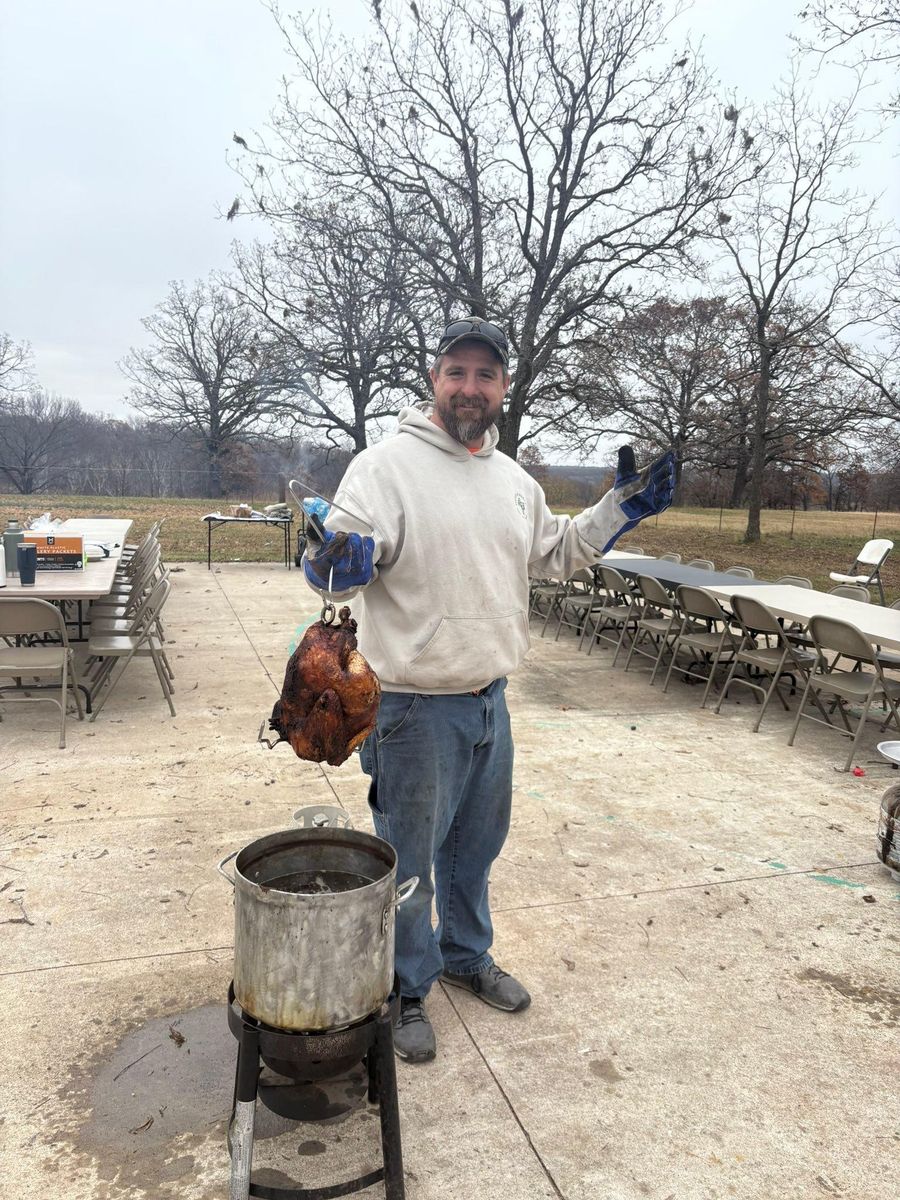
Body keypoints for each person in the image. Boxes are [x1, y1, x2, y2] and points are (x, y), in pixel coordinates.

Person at [302, 316, 675, 1062]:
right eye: (456, 372)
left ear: (503, 386)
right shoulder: (384, 468)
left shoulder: (514, 482)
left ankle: (466, 956)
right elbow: (341, 564)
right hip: (410, 706)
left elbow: (558, 555)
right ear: (434, 379)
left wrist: (619, 508)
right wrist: (333, 562)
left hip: (488, 701)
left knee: (474, 849)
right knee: (409, 860)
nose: (470, 387)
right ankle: (409, 987)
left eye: (485, 375)